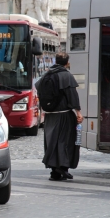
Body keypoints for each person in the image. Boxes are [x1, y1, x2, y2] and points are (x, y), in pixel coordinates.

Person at [35, 52, 84, 181]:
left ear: (55, 61)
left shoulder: (46, 75)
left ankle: (54, 172)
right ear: (67, 63)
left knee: (51, 142)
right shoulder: (66, 75)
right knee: (64, 141)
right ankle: (62, 167)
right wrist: (78, 112)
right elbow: (72, 96)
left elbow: (39, 91)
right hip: (64, 115)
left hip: (50, 116)